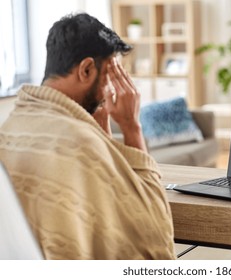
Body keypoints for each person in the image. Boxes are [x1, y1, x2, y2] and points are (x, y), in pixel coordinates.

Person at [0, 13, 175, 259]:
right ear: (87, 69)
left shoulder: (10, 126)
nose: (112, 90)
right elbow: (155, 237)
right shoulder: (80, 143)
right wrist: (130, 126)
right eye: (111, 75)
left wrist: (99, 125)